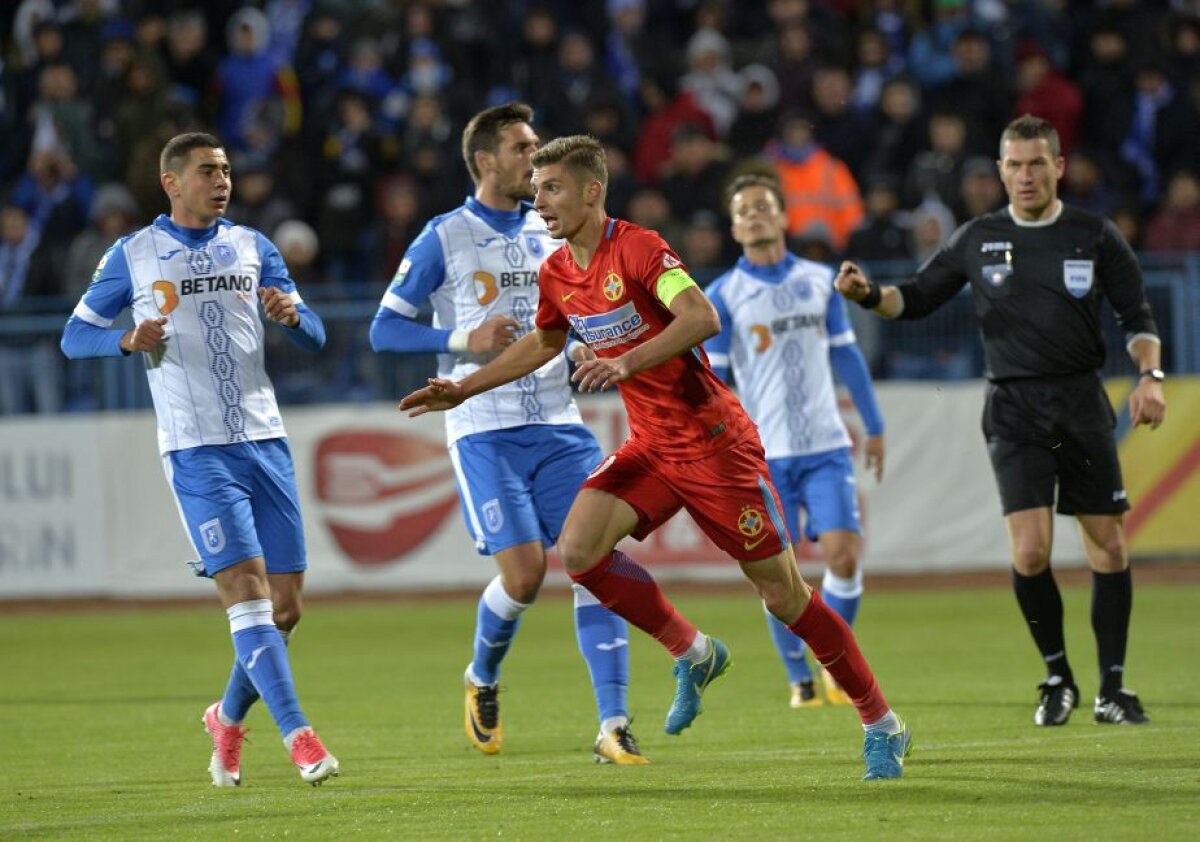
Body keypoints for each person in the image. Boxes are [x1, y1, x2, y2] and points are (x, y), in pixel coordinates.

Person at [400, 135, 913, 780]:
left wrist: (624, 361)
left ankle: (882, 724)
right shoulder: (557, 270)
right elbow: (544, 342)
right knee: (580, 549)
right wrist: (464, 386)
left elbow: (700, 317)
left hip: (716, 445)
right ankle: (692, 651)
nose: (539, 200)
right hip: (653, 445)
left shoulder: (639, 247)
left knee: (786, 596)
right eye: (534, 188)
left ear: (593, 190)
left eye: (551, 186)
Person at [836, 115, 1166, 727]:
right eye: (1013, 165)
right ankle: (1058, 677)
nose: (1024, 176)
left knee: (1109, 545)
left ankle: (1112, 688)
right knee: (1031, 549)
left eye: (1036, 163)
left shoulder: (1093, 235)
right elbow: (916, 296)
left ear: (1058, 167)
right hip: (1013, 407)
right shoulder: (978, 237)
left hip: (1080, 402)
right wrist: (865, 295)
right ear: (1001, 170)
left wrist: (1150, 377)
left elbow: (1138, 317)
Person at [369, 103, 644, 765]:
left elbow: (576, 313)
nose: (536, 157)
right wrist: (464, 339)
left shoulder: (552, 232)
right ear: (487, 160)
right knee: (523, 577)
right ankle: (481, 677)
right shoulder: (444, 236)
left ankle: (613, 723)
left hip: (557, 423)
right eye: (523, 148)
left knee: (595, 565)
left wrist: (585, 346)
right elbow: (385, 328)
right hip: (483, 428)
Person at [60, 132, 339, 785]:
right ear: (171, 182)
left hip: (263, 440)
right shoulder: (133, 254)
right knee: (245, 590)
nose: (222, 181)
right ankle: (300, 736)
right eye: (207, 171)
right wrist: (126, 340)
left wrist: (293, 317)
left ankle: (226, 720)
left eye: (226, 170)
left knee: (287, 606)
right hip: (195, 447)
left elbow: (319, 333)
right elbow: (76, 337)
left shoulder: (253, 246)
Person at [703, 173, 886, 710]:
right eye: (745, 210)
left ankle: (831, 662)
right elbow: (713, 384)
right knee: (776, 577)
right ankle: (797, 677)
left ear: (784, 217)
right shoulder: (721, 298)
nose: (756, 216)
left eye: (764, 206)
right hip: (762, 457)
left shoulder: (820, 281)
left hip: (825, 446)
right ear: (735, 227)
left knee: (844, 557)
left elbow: (847, 354)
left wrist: (873, 425)